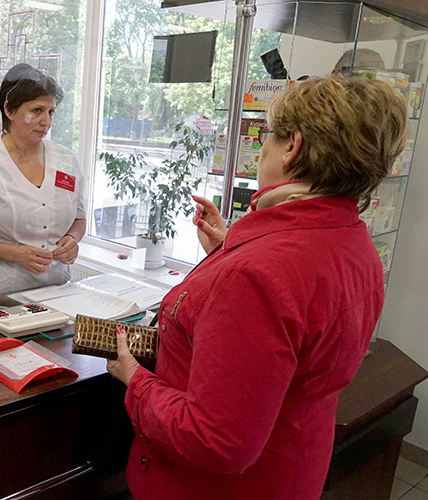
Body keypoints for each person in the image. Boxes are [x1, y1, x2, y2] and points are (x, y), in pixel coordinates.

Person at [107, 76, 408, 499]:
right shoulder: (355, 242)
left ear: (293, 147)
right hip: (291, 471)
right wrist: (227, 249)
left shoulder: (257, 274)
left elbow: (215, 440)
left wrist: (136, 380)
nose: (261, 148)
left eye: (268, 137)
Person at [0, 63, 85, 300]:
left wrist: (72, 240)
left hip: (55, 291)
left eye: (51, 112)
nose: (46, 122)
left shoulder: (67, 160)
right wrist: (15, 254)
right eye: (37, 111)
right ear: (9, 110)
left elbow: (79, 218)